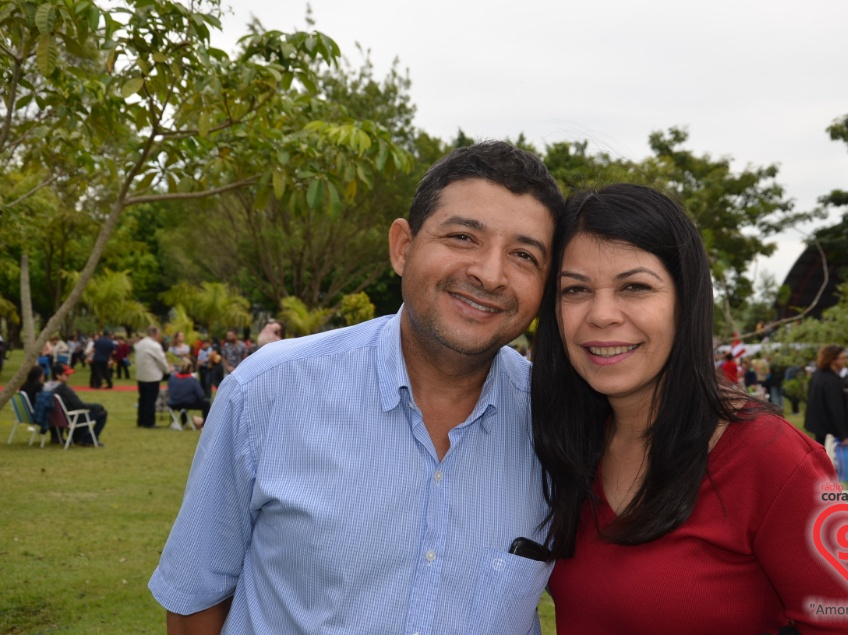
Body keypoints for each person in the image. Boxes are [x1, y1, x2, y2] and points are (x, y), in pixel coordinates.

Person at [149, 141, 564, 633]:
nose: (490, 274)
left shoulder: (561, 422)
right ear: (403, 247)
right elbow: (196, 599)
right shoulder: (267, 391)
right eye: (462, 237)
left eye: (523, 255)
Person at [530, 184, 848, 634]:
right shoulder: (567, 443)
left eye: (635, 286)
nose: (602, 314)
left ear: (686, 303)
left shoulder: (772, 458)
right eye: (575, 290)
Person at [43, 362, 108, 446]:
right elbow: (79, 405)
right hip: (69, 418)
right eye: (66, 374)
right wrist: (97, 406)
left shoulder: (46, 386)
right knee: (102, 413)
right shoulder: (63, 388)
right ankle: (90, 440)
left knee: (83, 413)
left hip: (56, 418)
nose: (69, 376)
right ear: (58, 375)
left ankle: (76, 438)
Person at [804, 345, 848, 446]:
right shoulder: (831, 380)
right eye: (842, 358)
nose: (845, 361)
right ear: (832, 360)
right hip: (828, 429)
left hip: (818, 425)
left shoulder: (818, 374)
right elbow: (835, 408)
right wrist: (843, 435)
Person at [134, 325, 171, 428]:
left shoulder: (140, 343)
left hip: (141, 375)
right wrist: (167, 370)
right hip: (152, 376)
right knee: (150, 400)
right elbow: (161, 361)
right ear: (155, 334)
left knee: (142, 399)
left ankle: (141, 420)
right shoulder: (155, 346)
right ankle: (149, 422)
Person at [166, 359, 210, 427]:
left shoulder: (172, 378)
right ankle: (206, 425)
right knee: (206, 404)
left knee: (182, 402)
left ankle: (184, 423)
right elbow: (200, 395)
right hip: (188, 403)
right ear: (190, 369)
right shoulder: (192, 380)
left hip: (173, 403)